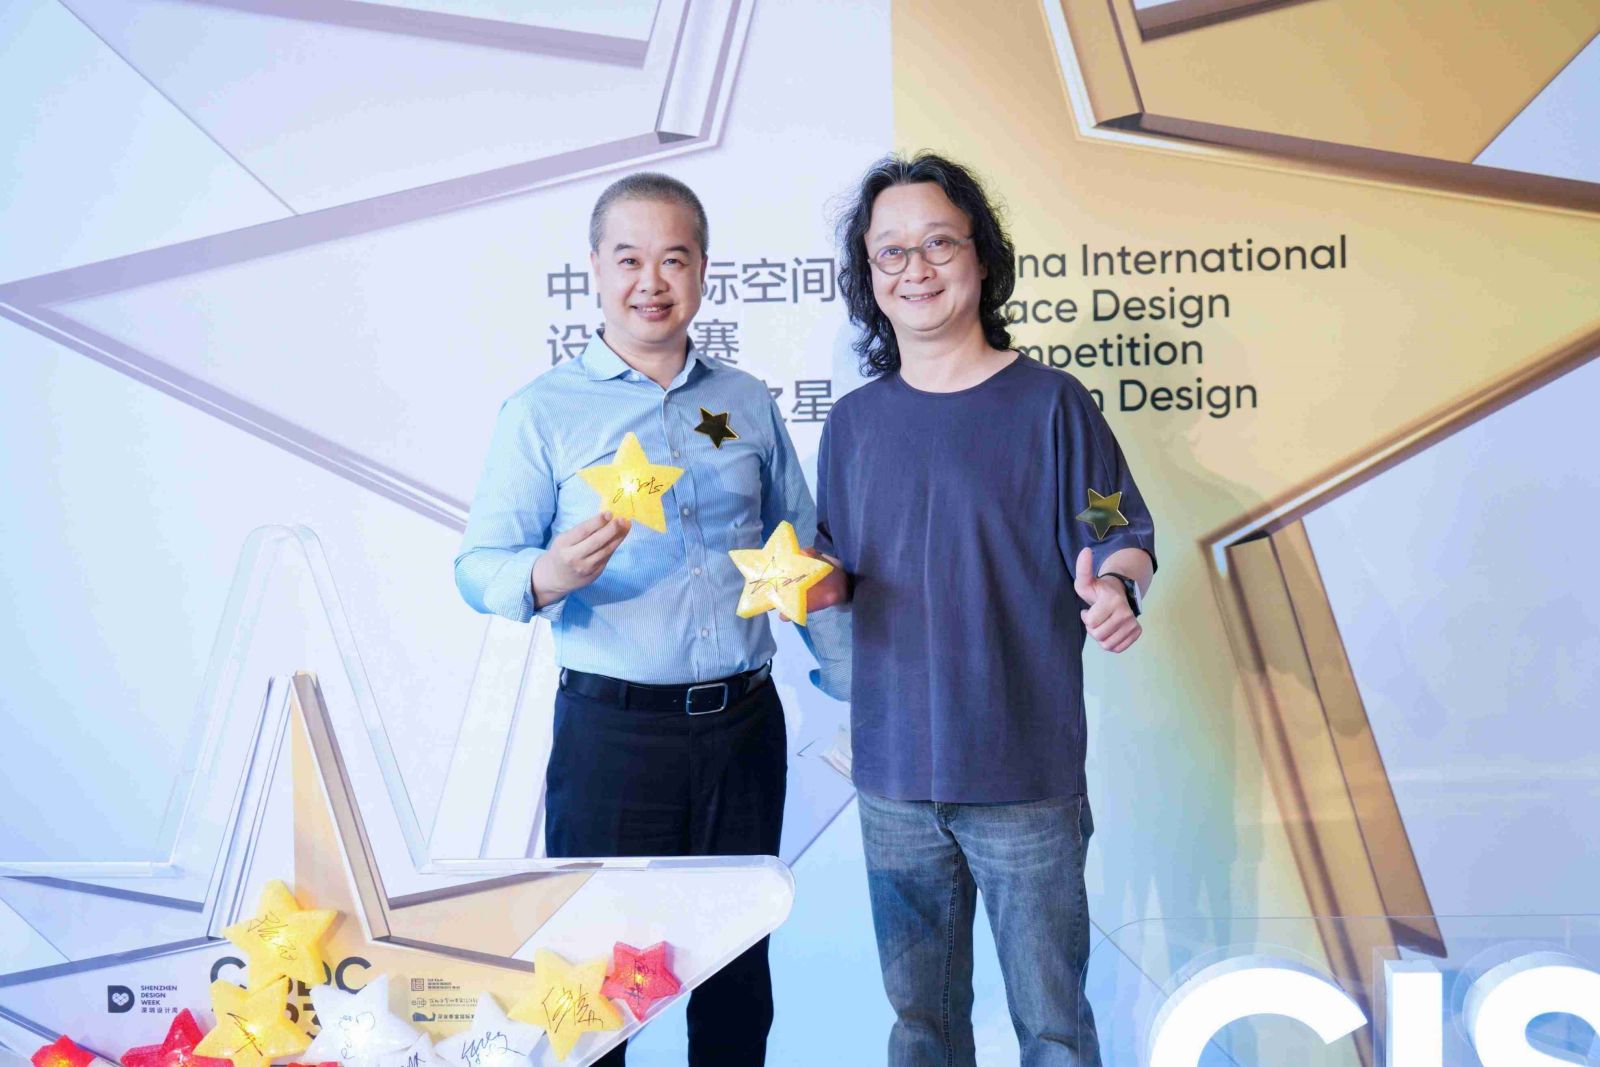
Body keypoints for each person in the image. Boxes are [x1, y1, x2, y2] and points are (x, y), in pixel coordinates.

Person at [454, 171, 846, 1066]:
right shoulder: (542, 411)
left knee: (737, 979)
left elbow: (802, 552)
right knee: (594, 989)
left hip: (744, 729)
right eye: (629, 259)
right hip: (614, 737)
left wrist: (858, 680)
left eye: (674, 259)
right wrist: (548, 574)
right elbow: (477, 567)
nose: (651, 282)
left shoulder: (746, 401)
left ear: (703, 269)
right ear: (594, 268)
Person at [809, 152, 1156, 1067]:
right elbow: (832, 567)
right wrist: (808, 582)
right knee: (921, 1027)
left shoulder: (1051, 403)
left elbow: (1119, 531)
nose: (915, 269)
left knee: (1052, 1027)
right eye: (890, 253)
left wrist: (1117, 587)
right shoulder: (853, 424)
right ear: (868, 277)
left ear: (981, 255)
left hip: (1023, 773)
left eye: (938, 244)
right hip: (892, 774)